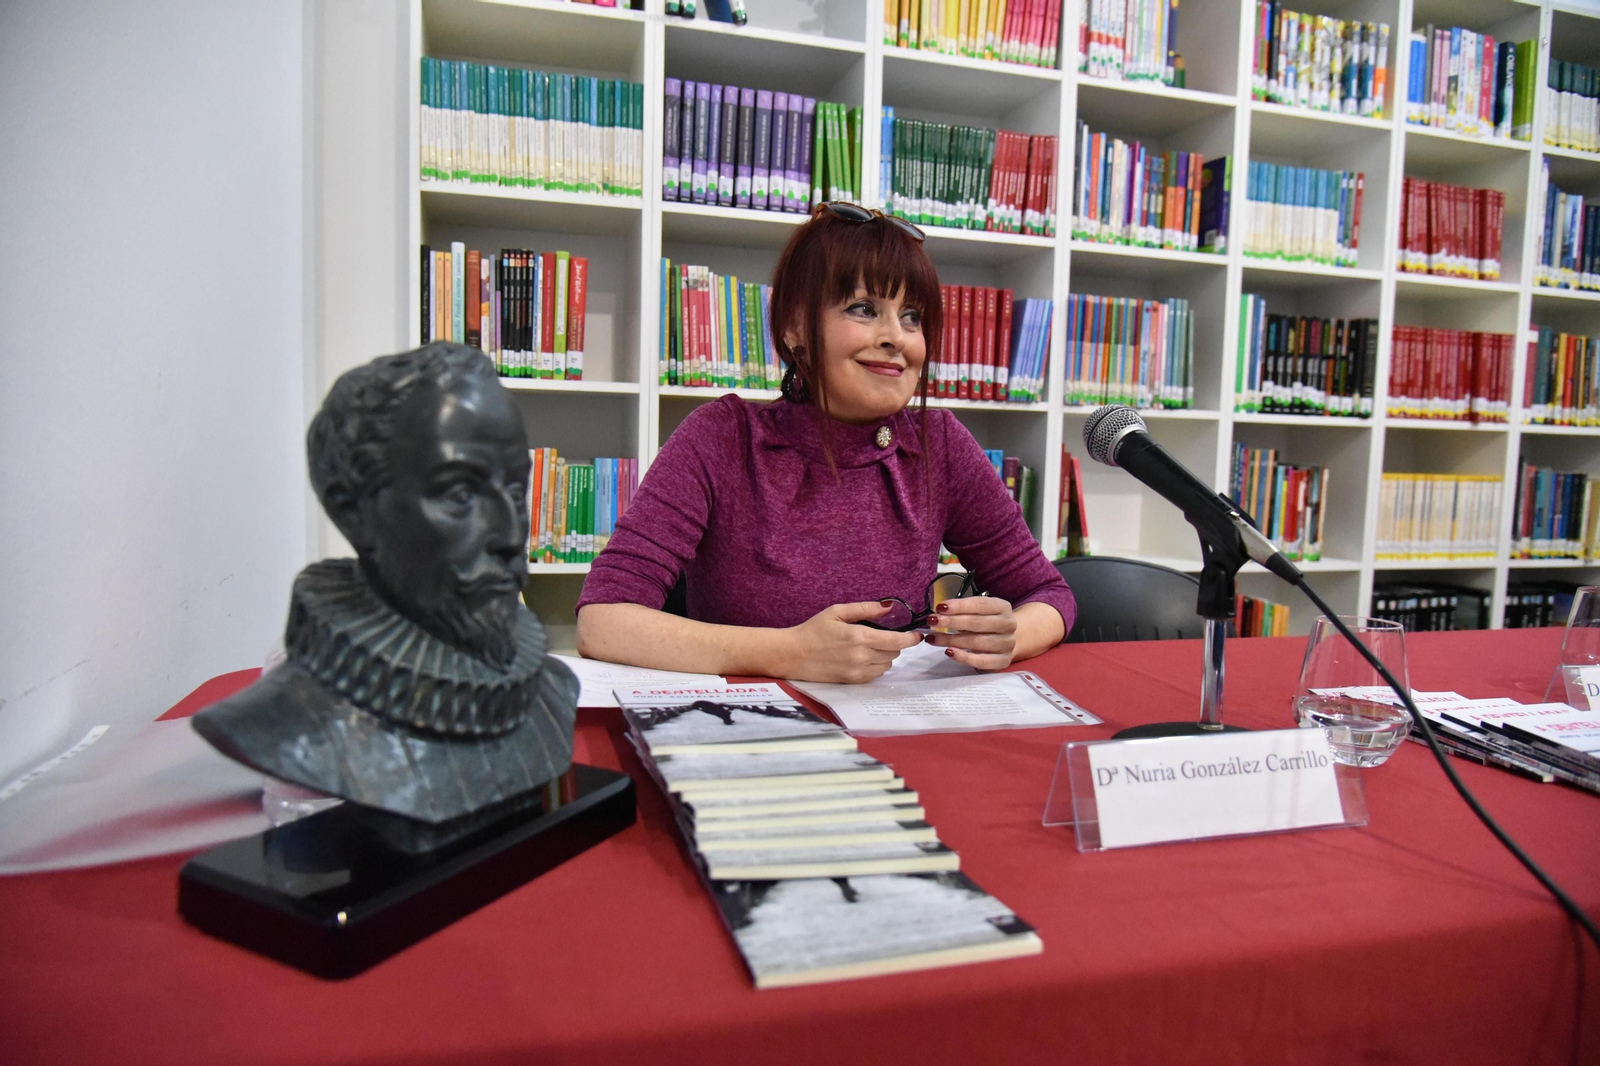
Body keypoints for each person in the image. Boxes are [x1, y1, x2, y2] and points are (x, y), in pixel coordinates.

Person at [575, 204, 1075, 683]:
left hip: (894, 726)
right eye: (863, 308)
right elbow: (604, 621)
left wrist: (1010, 636)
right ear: (795, 327)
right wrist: (788, 653)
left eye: (912, 316)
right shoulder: (720, 437)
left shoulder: (937, 443)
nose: (895, 338)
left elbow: (1048, 594)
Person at [193, 342, 579, 833]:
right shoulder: (292, 728)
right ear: (352, 509)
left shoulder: (553, 691)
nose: (508, 535)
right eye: (460, 494)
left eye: (518, 492)